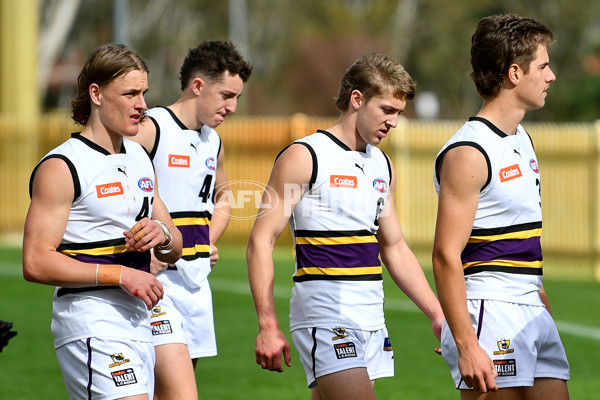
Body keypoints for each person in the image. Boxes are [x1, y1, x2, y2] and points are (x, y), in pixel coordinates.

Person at [247, 52, 444, 400]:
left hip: (371, 317)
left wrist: (437, 314)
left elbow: (394, 247)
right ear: (357, 99)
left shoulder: (383, 165)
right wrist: (267, 323)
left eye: (398, 113)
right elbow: (261, 240)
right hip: (325, 315)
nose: (394, 122)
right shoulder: (305, 157)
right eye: (387, 110)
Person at [22, 43, 183, 400]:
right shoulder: (62, 166)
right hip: (90, 319)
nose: (142, 104)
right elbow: (34, 261)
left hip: (140, 321)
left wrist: (164, 235)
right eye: (130, 93)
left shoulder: (140, 155)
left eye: (144, 93)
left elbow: (175, 244)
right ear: (96, 93)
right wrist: (121, 274)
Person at [432, 14, 570, 399]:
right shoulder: (468, 152)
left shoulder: (521, 136)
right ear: (514, 73)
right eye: (543, 66)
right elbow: (445, 255)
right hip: (489, 312)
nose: (551, 76)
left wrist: (538, 298)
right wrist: (465, 341)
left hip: (531, 307)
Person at [131, 40, 252, 400]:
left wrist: (207, 239)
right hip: (158, 281)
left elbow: (224, 197)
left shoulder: (213, 141)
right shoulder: (152, 128)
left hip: (197, 283)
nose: (232, 107)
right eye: (226, 95)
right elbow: (126, 188)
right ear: (198, 85)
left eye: (237, 98)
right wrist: (148, 245)